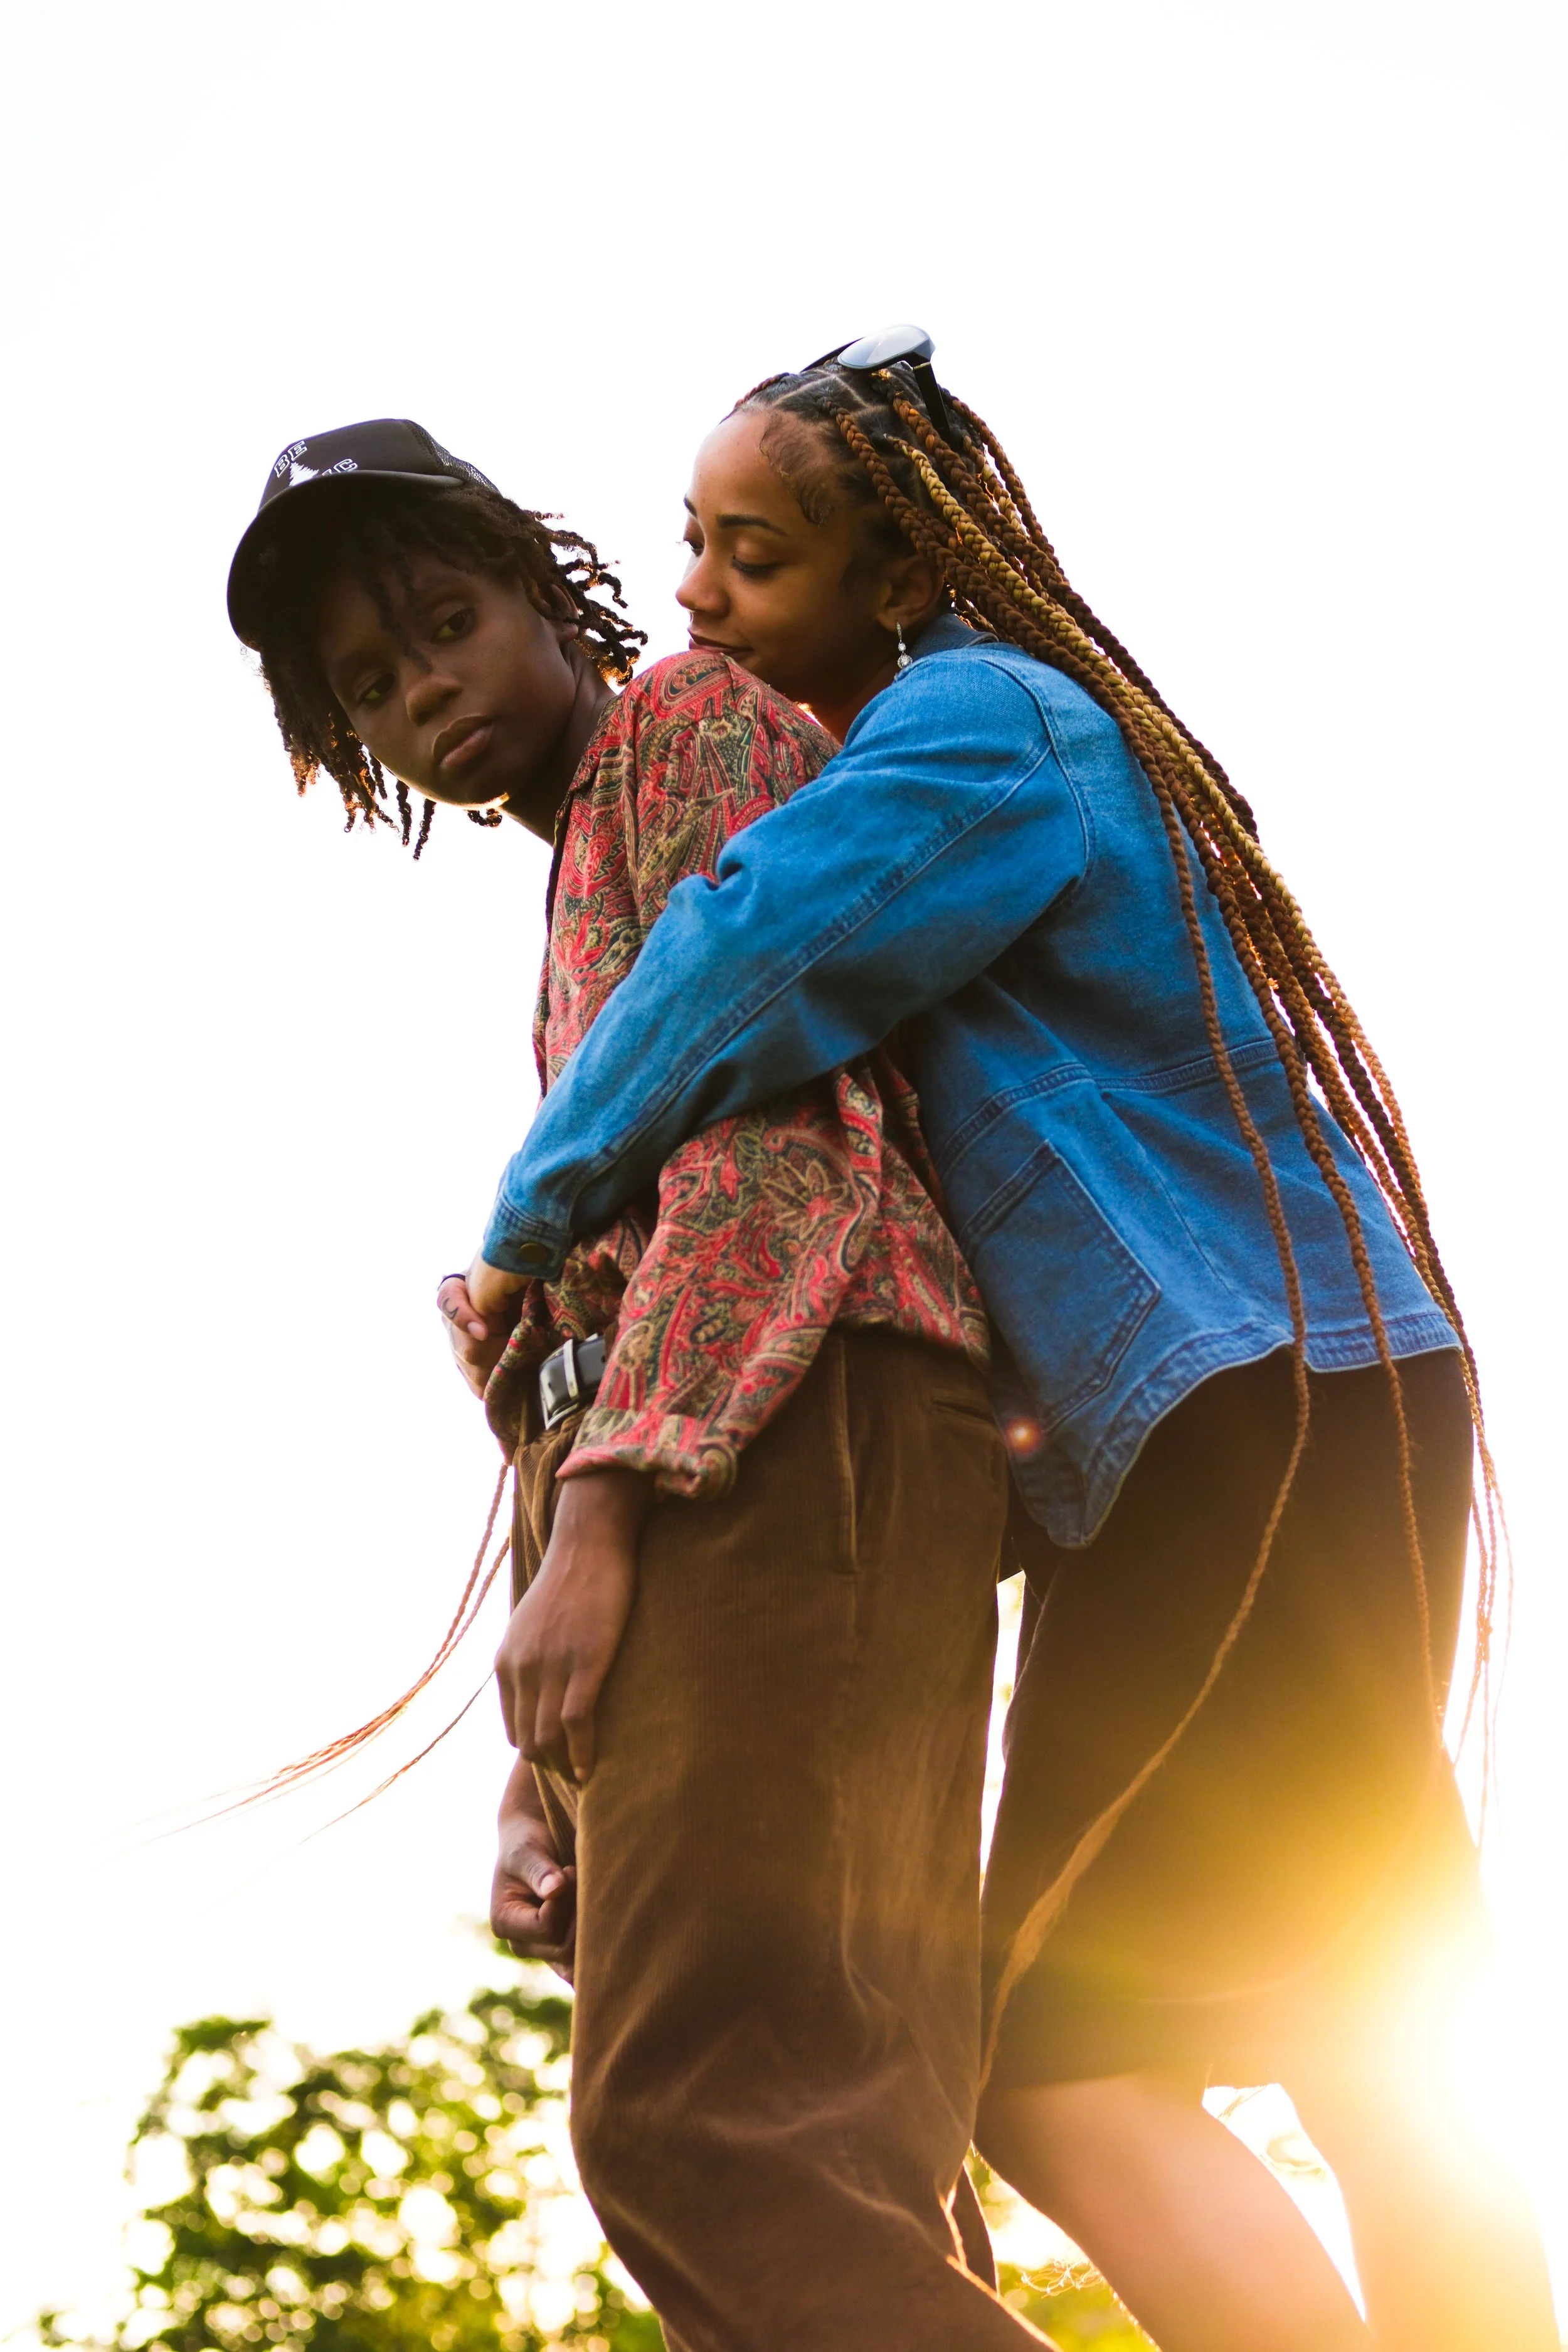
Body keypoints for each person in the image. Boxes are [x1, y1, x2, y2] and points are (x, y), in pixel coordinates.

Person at [448, 334, 1560, 2352]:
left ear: (895, 574)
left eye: (754, 555)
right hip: (1326, 1385)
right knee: (1367, 2007)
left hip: (1240, 1405)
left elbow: (752, 942)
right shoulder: (1023, 727)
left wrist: (539, 1212)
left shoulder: (965, 728)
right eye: (689, 544)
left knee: (1044, 2044)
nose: (692, 597)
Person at [225, 417, 1052, 2352]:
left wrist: (599, 1520)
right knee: (837, 2143)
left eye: (442, 620)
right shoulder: (587, 856)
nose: (422, 685)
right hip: (759, 1460)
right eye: (366, 682)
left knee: (703, 2129)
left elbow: (777, 1140)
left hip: (791, 1441)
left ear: (539, 585)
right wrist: (552, 1755)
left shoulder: (690, 724)